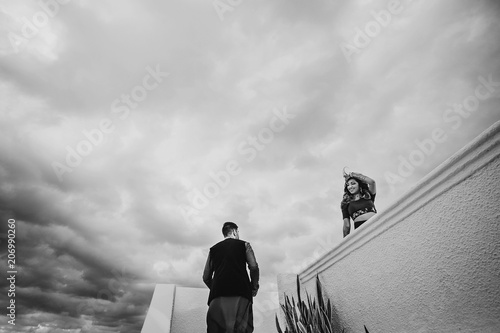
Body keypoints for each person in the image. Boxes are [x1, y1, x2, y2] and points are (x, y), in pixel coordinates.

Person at [203, 222, 260, 333]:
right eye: (238, 232)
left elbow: (206, 277)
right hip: (242, 295)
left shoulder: (213, 250)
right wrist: (253, 288)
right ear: (234, 231)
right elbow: (253, 267)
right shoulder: (244, 245)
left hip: (217, 298)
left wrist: (217, 288)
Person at [341, 170, 377, 237]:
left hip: (377, 224)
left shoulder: (369, 195)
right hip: (361, 230)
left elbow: (372, 182)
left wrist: (355, 175)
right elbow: (347, 226)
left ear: (359, 185)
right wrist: (345, 243)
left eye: (353, 183)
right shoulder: (345, 203)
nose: (350, 187)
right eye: (348, 185)